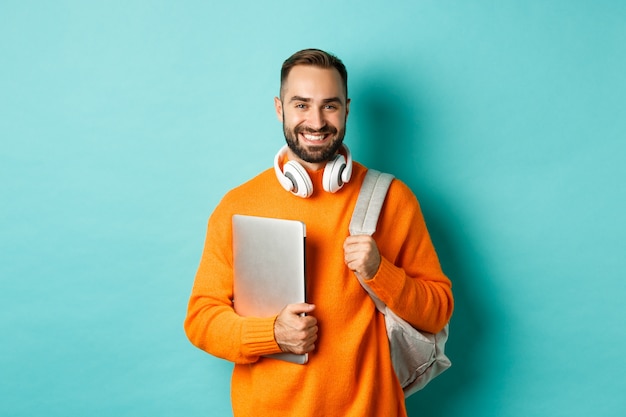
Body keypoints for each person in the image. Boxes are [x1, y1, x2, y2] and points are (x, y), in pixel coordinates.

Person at [184, 48, 453, 417]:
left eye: (329, 106)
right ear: (279, 109)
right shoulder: (237, 205)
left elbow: (438, 310)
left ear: (346, 108)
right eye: (301, 105)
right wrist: (272, 335)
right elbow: (202, 319)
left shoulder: (393, 199)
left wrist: (381, 272)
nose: (315, 121)